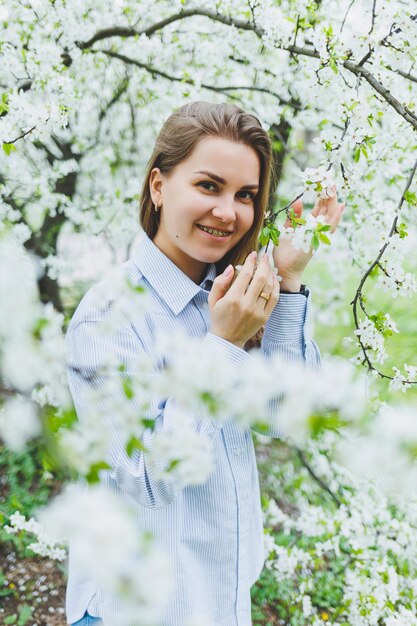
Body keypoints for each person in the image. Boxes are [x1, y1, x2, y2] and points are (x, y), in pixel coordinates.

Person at [66, 101, 344, 626]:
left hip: (220, 600)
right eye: (208, 186)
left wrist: (285, 280)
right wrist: (222, 346)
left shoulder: (230, 294)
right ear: (158, 186)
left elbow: (292, 418)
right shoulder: (108, 318)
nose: (228, 213)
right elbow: (146, 475)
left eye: (245, 195)